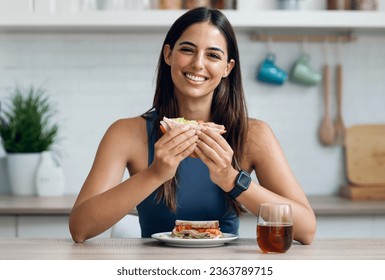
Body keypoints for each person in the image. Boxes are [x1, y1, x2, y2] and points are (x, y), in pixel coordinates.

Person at [69, 7, 316, 244]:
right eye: (187, 50)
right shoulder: (125, 133)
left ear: (227, 68)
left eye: (213, 55)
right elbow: (80, 229)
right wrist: (155, 174)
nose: (198, 64)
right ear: (168, 54)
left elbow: (306, 230)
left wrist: (232, 180)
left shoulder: (254, 135)